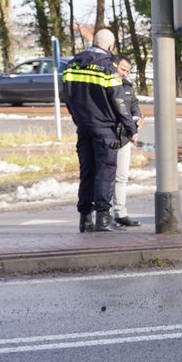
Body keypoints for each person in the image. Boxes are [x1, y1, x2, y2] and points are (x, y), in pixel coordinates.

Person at [61, 28, 136, 233]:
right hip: (105, 128)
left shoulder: (73, 63)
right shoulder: (106, 67)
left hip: (83, 126)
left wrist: (77, 118)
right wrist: (130, 127)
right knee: (105, 172)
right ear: (110, 46)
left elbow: (67, 96)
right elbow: (118, 100)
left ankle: (85, 219)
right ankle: (103, 219)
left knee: (87, 172)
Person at [111, 56, 143, 227]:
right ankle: (105, 215)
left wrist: (138, 117)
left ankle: (120, 213)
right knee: (107, 177)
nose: (124, 74)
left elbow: (134, 105)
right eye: (122, 69)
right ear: (114, 66)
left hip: (125, 137)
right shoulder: (106, 84)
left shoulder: (127, 86)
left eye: (127, 71)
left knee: (122, 177)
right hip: (109, 135)